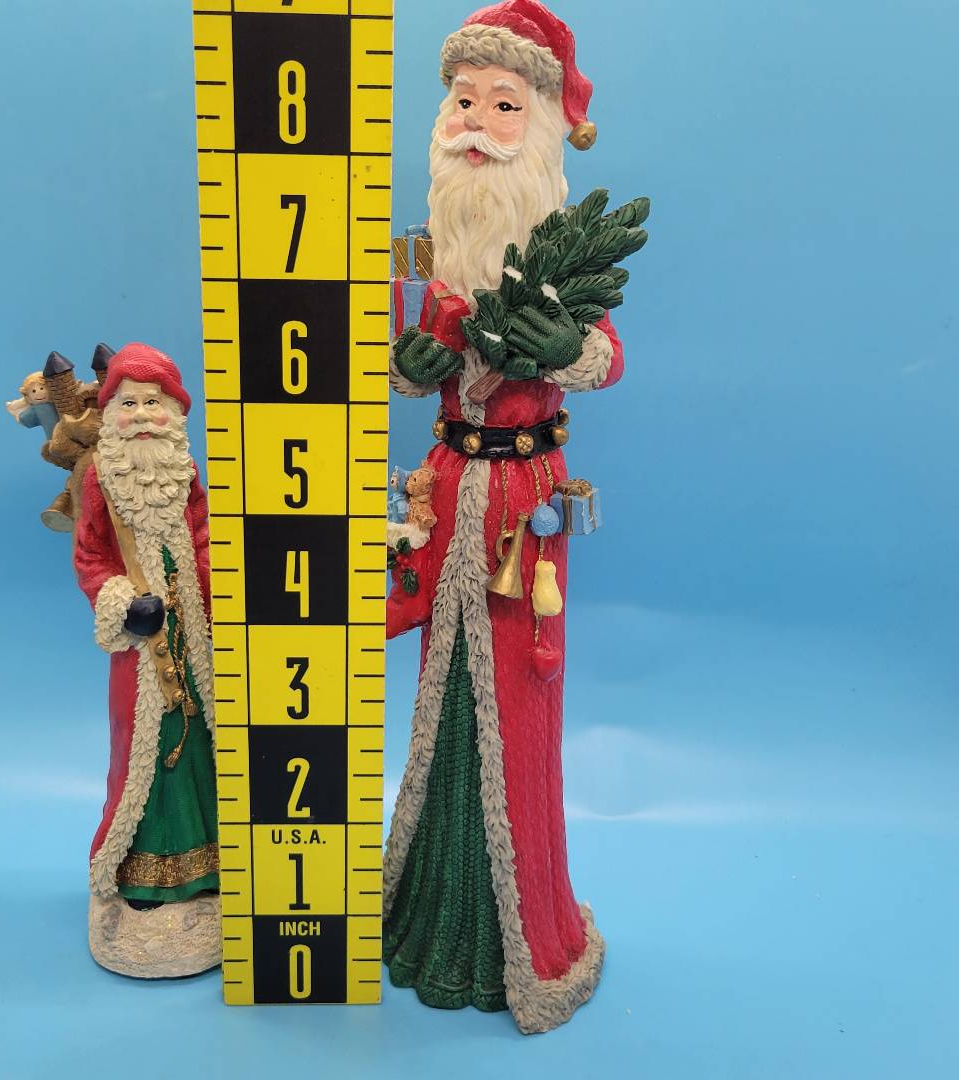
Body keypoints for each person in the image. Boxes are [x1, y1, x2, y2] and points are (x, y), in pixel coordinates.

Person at [382, 0, 627, 1034]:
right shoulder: (439, 260)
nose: (476, 124)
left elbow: (606, 357)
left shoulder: (563, 262)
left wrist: (565, 348)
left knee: (518, 699)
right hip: (447, 492)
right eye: (463, 102)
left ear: (544, 127)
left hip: (526, 510)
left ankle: (523, 932)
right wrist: (413, 364)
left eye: (503, 105)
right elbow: (413, 368)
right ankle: (428, 905)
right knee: (438, 688)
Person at [73, 342, 220, 978]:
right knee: (143, 750)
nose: (140, 415)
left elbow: (204, 540)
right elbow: (90, 556)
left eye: (152, 402)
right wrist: (121, 603)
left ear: (174, 411)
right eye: (128, 403)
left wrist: (218, 593)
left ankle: (210, 871)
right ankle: (139, 876)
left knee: (202, 740)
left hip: (195, 637)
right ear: (111, 412)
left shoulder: (185, 472)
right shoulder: (100, 478)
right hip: (141, 648)